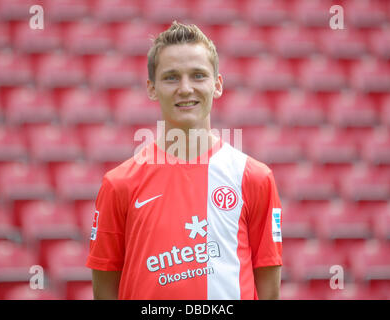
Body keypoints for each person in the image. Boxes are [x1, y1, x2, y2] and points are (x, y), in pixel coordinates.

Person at [86, 21, 283, 300]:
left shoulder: (254, 177)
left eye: (198, 75)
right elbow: (104, 290)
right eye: (171, 77)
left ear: (217, 85)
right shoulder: (119, 184)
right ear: (152, 88)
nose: (186, 88)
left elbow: (268, 290)